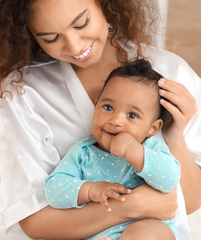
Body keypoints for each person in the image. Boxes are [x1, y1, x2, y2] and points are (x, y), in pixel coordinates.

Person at [0, 0, 201, 239]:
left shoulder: (172, 75)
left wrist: (175, 136)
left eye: (81, 23)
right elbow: (34, 222)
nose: (75, 46)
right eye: (50, 38)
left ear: (105, 4)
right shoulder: (22, 91)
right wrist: (133, 205)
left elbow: (184, 203)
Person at [45, 59, 180, 240]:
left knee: (143, 234)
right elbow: (54, 189)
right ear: (96, 105)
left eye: (132, 115)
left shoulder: (151, 148)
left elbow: (170, 179)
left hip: (147, 227)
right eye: (108, 107)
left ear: (153, 128)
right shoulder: (83, 152)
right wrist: (89, 190)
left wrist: (134, 151)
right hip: (97, 231)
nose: (116, 120)